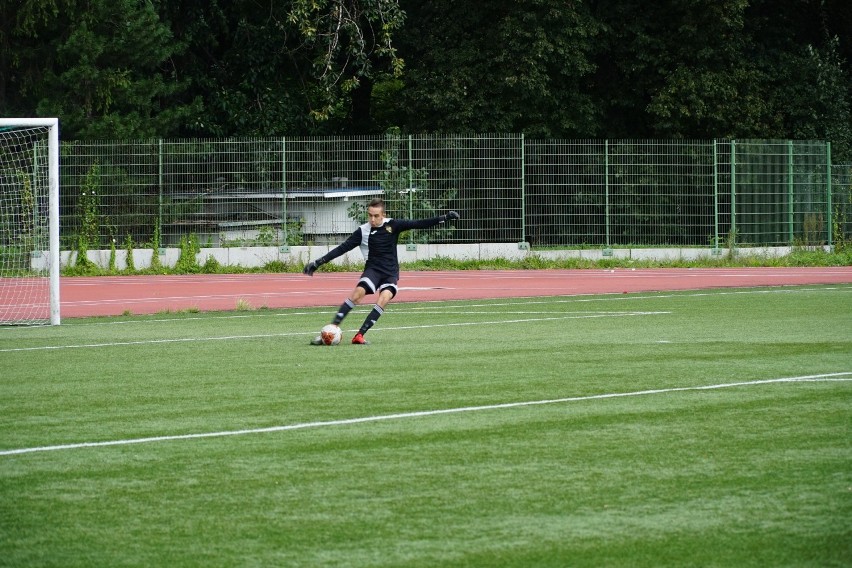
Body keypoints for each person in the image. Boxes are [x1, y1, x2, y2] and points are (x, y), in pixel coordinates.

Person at [303, 198, 460, 344]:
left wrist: (444, 217)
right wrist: (318, 262)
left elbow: (419, 223)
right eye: (370, 215)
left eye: (376, 216)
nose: (372, 219)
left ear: (382, 215)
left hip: (390, 273)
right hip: (373, 270)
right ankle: (331, 330)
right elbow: (342, 248)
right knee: (357, 294)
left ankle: (359, 335)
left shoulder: (393, 225)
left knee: (384, 298)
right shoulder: (363, 231)